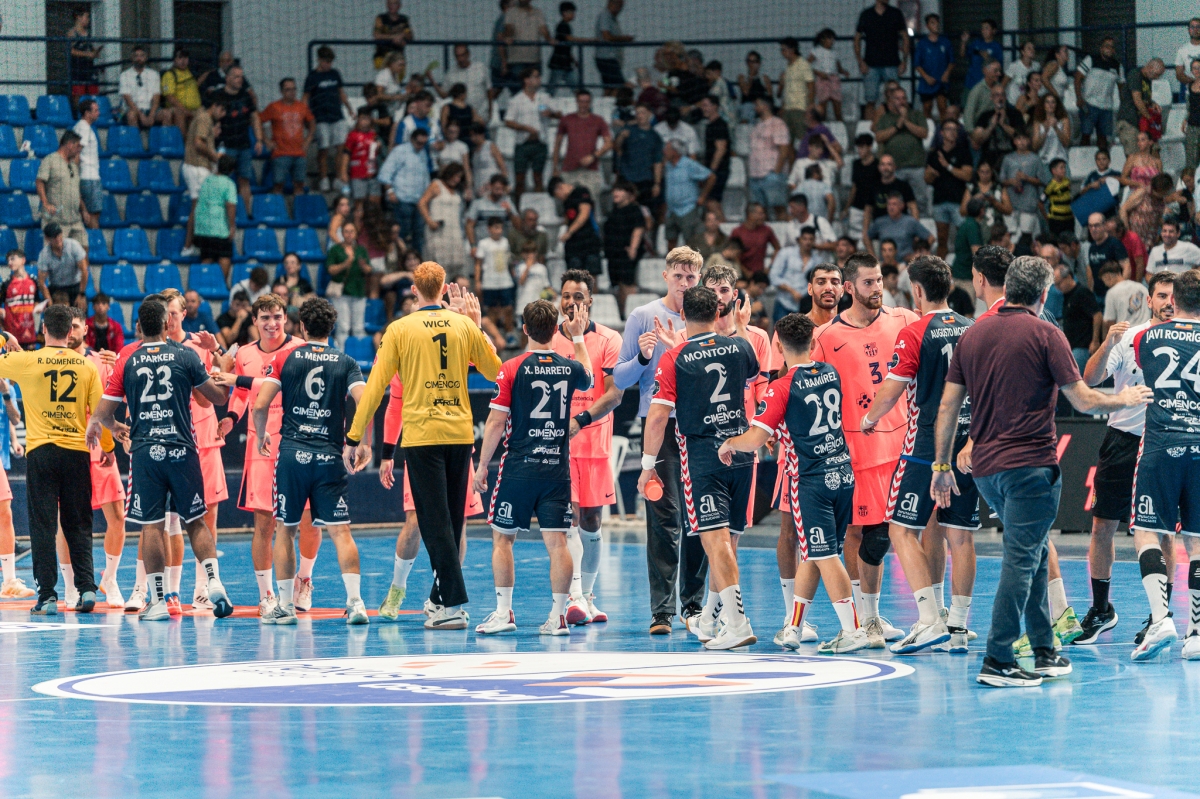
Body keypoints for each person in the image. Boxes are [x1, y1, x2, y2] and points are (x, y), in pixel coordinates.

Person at [933, 256, 1152, 686]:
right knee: (1021, 559)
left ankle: (1044, 650)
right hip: (1029, 467)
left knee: (1031, 554)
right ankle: (997, 659)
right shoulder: (1046, 333)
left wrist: (942, 464)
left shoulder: (972, 334)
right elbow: (1085, 399)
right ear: (1044, 294)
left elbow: (947, 405)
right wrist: (1123, 401)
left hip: (986, 472)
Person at [346, 265, 502, 629]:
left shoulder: (399, 329)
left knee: (434, 522)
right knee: (452, 520)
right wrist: (477, 328)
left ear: (414, 289)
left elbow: (375, 389)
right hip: (461, 433)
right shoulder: (463, 325)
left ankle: (451, 607)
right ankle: (444, 603)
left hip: (422, 436)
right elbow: (496, 371)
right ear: (445, 288)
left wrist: (355, 437)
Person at [859, 256, 978, 654]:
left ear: (919, 291)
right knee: (960, 536)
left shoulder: (914, 332)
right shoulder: (972, 329)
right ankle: (957, 626)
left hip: (926, 443)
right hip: (966, 443)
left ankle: (929, 619)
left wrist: (868, 419)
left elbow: (891, 389)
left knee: (901, 528)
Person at [88, 300, 232, 622]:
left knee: (152, 526)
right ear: (169, 322)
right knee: (195, 520)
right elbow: (218, 398)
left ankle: (155, 600)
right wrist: (223, 374)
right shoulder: (186, 355)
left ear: (138, 326)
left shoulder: (129, 359)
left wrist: (116, 427)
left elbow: (102, 413)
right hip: (182, 449)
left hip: (146, 454)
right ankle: (213, 581)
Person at [636, 285, 758, 650]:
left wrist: (647, 467)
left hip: (704, 457)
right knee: (727, 542)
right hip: (740, 451)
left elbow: (657, 419)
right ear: (719, 312)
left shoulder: (676, 358)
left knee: (714, 540)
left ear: (684, 315)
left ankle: (737, 623)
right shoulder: (740, 346)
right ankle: (708, 619)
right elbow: (750, 379)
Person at [811, 253, 918, 645]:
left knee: (890, 533)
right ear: (850, 287)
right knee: (859, 532)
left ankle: (875, 614)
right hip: (856, 447)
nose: (877, 289)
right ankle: (863, 618)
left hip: (903, 442)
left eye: (880, 281)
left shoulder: (903, 319)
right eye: (869, 283)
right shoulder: (826, 337)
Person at [473, 299, 593, 635]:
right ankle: (557, 618)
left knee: (503, 540)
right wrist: (579, 337)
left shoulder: (512, 368)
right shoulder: (569, 366)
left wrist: (482, 466)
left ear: (524, 329)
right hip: (556, 468)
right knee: (558, 542)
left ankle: (503, 614)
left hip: (519, 468)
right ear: (556, 330)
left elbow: (496, 422)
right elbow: (589, 379)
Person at [251, 298, 368, 625]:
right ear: (331, 328)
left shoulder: (284, 357)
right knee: (341, 532)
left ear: (301, 327)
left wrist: (261, 435)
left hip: (292, 455)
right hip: (329, 455)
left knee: (286, 530)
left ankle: (286, 607)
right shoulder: (346, 362)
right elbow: (366, 400)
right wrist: (359, 442)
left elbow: (260, 406)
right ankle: (356, 603)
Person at [1078, 272, 1175, 644]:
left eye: (1172, 296)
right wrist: (1107, 341)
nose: (1167, 302)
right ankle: (1102, 610)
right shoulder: (1129, 337)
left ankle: (1159, 615)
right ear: (1148, 300)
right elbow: (1090, 378)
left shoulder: (1189, 340)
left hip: (1162, 443)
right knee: (1103, 526)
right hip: (1122, 441)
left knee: (1162, 531)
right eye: (1161, 295)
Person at [214, 296, 321, 619]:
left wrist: (236, 379)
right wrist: (231, 417)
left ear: (286, 320)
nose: (272, 323)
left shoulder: (301, 349)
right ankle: (266, 595)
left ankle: (305, 579)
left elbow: (286, 386)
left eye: (277, 316)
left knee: (308, 519)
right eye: (265, 318)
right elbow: (242, 395)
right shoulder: (244, 353)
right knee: (264, 522)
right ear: (255, 321)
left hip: (298, 439)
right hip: (260, 446)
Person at [614, 248, 703, 632]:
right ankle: (662, 611)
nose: (685, 284)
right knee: (664, 514)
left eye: (691, 278)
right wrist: (645, 359)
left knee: (702, 514)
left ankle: (695, 606)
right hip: (661, 423)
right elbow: (619, 379)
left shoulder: (707, 315)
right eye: (679, 277)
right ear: (665, 276)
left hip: (701, 424)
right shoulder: (642, 316)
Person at [0, 306, 109, 614]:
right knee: (78, 523)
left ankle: (47, 595)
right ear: (70, 332)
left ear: (44, 330)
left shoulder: (27, 361)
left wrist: (6, 336)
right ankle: (87, 589)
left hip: (41, 452)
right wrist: (109, 448)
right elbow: (100, 413)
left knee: (43, 525)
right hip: (76, 452)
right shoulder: (86, 366)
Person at [1123, 269, 1200, 661]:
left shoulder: (1144, 337)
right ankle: (1198, 632)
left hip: (1160, 443)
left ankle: (1160, 618)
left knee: (1147, 531)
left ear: (1174, 301)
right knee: (1197, 540)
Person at [545, 272, 624, 623]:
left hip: (594, 443)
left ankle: (588, 596)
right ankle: (574, 594)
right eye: (565, 295)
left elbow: (614, 394)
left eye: (578, 295)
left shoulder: (609, 338)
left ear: (590, 300)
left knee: (592, 521)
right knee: (569, 517)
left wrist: (580, 421)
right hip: (558, 447)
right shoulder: (546, 338)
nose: (571, 301)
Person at [303, 47, 354, 193]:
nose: (328, 65)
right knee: (323, 149)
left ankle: (338, 178)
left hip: (336, 116)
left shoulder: (335, 74)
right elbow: (305, 97)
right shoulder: (312, 77)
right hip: (321, 118)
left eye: (330, 62)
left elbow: (341, 93)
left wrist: (349, 108)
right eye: (326, 62)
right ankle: (324, 179)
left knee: (340, 147)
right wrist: (303, 115)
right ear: (319, 60)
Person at [874, 88, 930, 214]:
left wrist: (905, 120)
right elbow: (879, 137)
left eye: (904, 98)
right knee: (895, 200)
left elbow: (924, 133)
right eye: (898, 98)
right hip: (895, 168)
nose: (902, 101)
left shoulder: (916, 115)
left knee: (920, 200)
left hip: (916, 166)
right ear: (891, 101)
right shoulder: (885, 118)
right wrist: (897, 126)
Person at [553, 88, 613, 206]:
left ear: (590, 103)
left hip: (590, 170)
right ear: (577, 102)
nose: (584, 104)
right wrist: (555, 166)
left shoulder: (598, 120)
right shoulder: (567, 119)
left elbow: (609, 143)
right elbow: (557, 144)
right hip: (569, 168)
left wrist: (593, 156)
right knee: (568, 203)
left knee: (590, 203)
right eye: (581, 101)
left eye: (586, 101)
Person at [506, 67, 558, 201]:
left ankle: (538, 207)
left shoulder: (545, 97)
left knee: (538, 177)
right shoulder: (516, 100)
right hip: (523, 143)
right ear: (527, 80)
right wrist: (524, 128)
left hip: (540, 142)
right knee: (520, 179)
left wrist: (550, 114)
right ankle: (518, 208)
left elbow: (559, 114)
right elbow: (508, 121)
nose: (539, 79)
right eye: (536, 77)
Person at [379, 127, 432, 256]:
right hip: (402, 200)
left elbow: (425, 177)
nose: (421, 146)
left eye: (424, 143)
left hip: (419, 201)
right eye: (419, 143)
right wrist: (390, 192)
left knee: (418, 235)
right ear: (412, 139)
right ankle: (399, 261)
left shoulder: (423, 153)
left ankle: (416, 265)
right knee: (401, 233)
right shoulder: (400, 151)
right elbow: (385, 173)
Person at [925, 120, 972, 259]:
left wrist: (948, 166)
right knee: (942, 240)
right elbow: (926, 179)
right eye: (948, 129)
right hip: (940, 201)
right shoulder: (934, 154)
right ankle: (941, 271)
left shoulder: (963, 151)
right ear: (941, 132)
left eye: (955, 129)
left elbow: (967, 175)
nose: (952, 132)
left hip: (958, 201)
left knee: (964, 238)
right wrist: (931, 174)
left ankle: (965, 268)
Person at [855, 0, 909, 120]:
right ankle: (868, 132)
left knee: (896, 99)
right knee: (870, 100)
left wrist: (904, 61)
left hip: (892, 63)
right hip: (871, 64)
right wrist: (860, 61)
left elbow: (905, 37)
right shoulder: (866, 14)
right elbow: (857, 38)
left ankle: (896, 126)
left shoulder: (895, 13)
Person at [261, 78, 315, 196]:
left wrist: (308, 140)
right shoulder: (274, 107)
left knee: (300, 184)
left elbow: (312, 122)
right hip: (280, 153)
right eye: (288, 89)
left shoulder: (302, 107)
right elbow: (258, 121)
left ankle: (299, 211)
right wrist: (266, 141)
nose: (292, 92)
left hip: (299, 153)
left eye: (294, 89)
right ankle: (277, 210)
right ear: (281, 91)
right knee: (278, 184)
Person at [36, 130, 86, 250]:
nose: (80, 149)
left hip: (75, 219)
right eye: (78, 146)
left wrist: (84, 209)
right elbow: (39, 181)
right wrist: (45, 203)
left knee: (83, 249)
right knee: (55, 254)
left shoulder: (73, 165)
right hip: (56, 219)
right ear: (69, 144)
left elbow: (75, 190)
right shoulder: (51, 160)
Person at [418, 163, 468, 282]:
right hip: (438, 230)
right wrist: (429, 221)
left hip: (454, 229)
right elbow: (422, 203)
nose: (457, 179)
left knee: (455, 264)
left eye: (459, 177)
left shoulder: (457, 190)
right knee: (438, 264)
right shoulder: (436, 184)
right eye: (455, 176)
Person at [325, 221, 372, 347]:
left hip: (358, 290)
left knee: (358, 327)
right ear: (342, 233)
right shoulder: (335, 249)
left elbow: (369, 270)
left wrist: (363, 266)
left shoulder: (361, 250)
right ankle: (342, 354)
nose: (349, 234)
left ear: (356, 234)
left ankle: (358, 355)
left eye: (352, 231)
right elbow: (330, 269)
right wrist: (345, 264)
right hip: (341, 292)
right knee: (343, 327)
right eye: (346, 231)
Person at [660, 142, 714, 250]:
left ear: (674, 152)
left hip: (687, 208)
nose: (664, 152)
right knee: (670, 238)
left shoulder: (689, 164)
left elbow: (711, 177)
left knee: (690, 240)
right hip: (671, 210)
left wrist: (703, 196)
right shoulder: (668, 166)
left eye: (667, 149)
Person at [999, 129, 1050, 242]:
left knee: (1026, 237)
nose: (1021, 142)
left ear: (1029, 141)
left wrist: (1027, 178)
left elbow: (1043, 181)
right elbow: (1001, 180)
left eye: (1024, 139)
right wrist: (1011, 182)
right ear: (1014, 141)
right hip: (1011, 205)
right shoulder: (1008, 159)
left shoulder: (1035, 159)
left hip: (1028, 204)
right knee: (1011, 238)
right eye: (1018, 139)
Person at [1075, 37, 1124, 150]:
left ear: (1114, 50)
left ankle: (1102, 162)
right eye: (1106, 46)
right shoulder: (1091, 59)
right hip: (1089, 104)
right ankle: (1084, 163)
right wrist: (1079, 98)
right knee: (1085, 135)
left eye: (1112, 47)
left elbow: (1121, 86)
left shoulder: (1117, 66)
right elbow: (1078, 77)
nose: (1109, 49)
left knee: (1103, 138)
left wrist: (1122, 104)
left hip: (1106, 107)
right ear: (1101, 48)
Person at [604, 180, 645, 313]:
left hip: (626, 253)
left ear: (629, 194)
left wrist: (633, 248)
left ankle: (631, 313)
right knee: (619, 285)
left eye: (620, 190)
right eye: (615, 190)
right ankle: (622, 312)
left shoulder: (634, 209)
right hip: (614, 253)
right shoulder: (614, 211)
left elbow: (638, 229)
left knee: (628, 283)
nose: (615, 193)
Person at [550, 175, 604, 276]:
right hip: (574, 244)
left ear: (559, 188)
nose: (559, 198)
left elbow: (584, 214)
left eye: (557, 195)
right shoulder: (566, 202)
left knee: (591, 275)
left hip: (588, 239)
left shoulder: (581, 192)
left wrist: (569, 232)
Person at [615, 103, 664, 213]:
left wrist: (657, 183)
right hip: (627, 178)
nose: (640, 115)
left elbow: (658, 162)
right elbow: (617, 149)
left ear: (649, 114)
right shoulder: (628, 130)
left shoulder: (655, 136)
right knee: (624, 210)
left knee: (645, 211)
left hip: (645, 179)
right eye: (637, 113)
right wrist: (621, 137)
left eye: (643, 113)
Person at [1054, 263, 1102, 373]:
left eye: (1059, 283)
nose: (1057, 288)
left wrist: (1095, 341)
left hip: (1083, 346)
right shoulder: (1066, 296)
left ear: (1069, 277)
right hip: (1072, 345)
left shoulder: (1082, 293)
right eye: (1055, 285)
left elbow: (1097, 315)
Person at [748, 98, 791, 220]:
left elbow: (784, 149)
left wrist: (776, 172)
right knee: (760, 212)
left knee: (779, 208)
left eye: (757, 104)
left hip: (770, 173)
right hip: (756, 175)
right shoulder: (757, 125)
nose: (754, 107)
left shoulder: (777, 124)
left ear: (765, 106)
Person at [1116, 59, 1167, 157]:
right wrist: (1150, 119)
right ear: (1150, 67)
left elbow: (1145, 98)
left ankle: (1155, 172)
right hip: (1129, 121)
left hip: (1142, 122)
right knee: (1133, 157)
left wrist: (1153, 103)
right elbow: (1137, 100)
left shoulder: (1147, 79)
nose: (1157, 78)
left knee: (1154, 151)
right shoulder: (1135, 75)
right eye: (1157, 74)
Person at [476, 217, 516, 337]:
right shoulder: (483, 244)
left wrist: (512, 272)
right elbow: (478, 264)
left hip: (505, 281)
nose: (499, 231)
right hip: (489, 283)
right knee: (492, 311)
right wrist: (478, 281)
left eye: (501, 228)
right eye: (496, 228)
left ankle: (509, 335)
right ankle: (493, 337)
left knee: (508, 308)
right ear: (489, 229)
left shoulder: (506, 242)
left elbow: (509, 261)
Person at [770, 227, 821, 321]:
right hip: (784, 301)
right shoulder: (785, 253)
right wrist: (791, 291)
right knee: (779, 334)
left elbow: (817, 282)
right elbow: (774, 276)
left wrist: (806, 293)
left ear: (814, 241)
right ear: (799, 240)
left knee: (803, 334)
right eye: (805, 239)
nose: (808, 242)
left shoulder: (817, 259)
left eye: (811, 239)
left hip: (805, 304)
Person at [973, 83, 1025, 171]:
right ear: (991, 97)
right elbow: (977, 140)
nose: (1000, 98)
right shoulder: (985, 116)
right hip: (990, 155)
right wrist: (991, 126)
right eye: (996, 95)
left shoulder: (1015, 114)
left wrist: (1003, 125)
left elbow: (1021, 136)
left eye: (1002, 95)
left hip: (1012, 154)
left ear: (1005, 97)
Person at [866, 192, 932, 260]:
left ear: (902, 205)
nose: (891, 207)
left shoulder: (910, 222)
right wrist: (873, 256)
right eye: (889, 204)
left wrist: (917, 254)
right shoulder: (879, 222)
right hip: (886, 264)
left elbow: (930, 238)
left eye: (894, 204)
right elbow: (867, 237)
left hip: (906, 263)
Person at [37, 222, 88, 309]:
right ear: (47, 238)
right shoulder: (44, 254)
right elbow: (41, 282)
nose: (58, 238)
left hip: (74, 286)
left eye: (59, 235)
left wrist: (81, 294)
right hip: (56, 288)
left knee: (80, 313)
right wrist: (49, 302)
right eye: (54, 237)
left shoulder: (73, 245)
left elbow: (84, 270)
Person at [182, 100, 224, 203]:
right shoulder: (205, 118)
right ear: (214, 105)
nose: (223, 114)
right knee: (201, 206)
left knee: (198, 207)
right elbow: (198, 143)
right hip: (197, 166)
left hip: (197, 166)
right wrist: (214, 156)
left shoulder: (202, 117)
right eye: (222, 110)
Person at [914, 15, 954, 120]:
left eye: (937, 22)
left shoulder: (945, 42)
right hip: (927, 81)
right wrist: (926, 77)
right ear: (927, 26)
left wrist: (947, 73)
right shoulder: (922, 43)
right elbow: (917, 64)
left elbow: (952, 61)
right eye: (932, 23)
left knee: (942, 106)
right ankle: (929, 131)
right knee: (927, 107)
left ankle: (943, 131)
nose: (936, 25)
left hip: (941, 80)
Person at [437, 44, 491, 121]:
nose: (461, 59)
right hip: (461, 118)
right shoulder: (450, 73)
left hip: (481, 115)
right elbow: (444, 94)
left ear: (468, 54)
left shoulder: (481, 68)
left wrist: (491, 111)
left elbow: (489, 90)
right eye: (457, 56)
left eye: (462, 55)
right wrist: (432, 81)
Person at [778, 37, 815, 146]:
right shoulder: (787, 67)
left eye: (783, 50)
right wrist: (783, 107)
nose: (782, 53)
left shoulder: (803, 64)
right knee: (787, 144)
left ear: (792, 50)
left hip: (800, 109)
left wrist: (810, 107)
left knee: (804, 141)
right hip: (788, 110)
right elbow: (788, 90)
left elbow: (811, 86)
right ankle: (792, 163)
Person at [697, 96, 730, 219]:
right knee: (710, 203)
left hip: (718, 170)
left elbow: (720, 149)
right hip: (713, 170)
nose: (703, 108)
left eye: (706, 105)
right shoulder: (710, 125)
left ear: (715, 106)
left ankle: (725, 231)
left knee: (712, 202)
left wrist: (711, 171)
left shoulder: (719, 125)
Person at [730, 203, 781, 282]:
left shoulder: (767, 230)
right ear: (750, 214)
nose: (763, 216)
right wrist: (745, 271)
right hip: (740, 273)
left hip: (760, 273)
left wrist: (770, 267)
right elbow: (732, 253)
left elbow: (777, 248)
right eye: (760, 214)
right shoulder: (737, 232)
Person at [0, 250, 40, 348]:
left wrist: (38, 308)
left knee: (30, 362)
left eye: (13, 259)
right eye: (8, 260)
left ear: (23, 260)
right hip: (12, 333)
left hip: (29, 331)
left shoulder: (33, 281)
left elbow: (36, 301)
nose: (9, 262)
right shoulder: (6, 284)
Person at [504, 0, 552, 81]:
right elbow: (509, 28)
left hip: (534, 58)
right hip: (517, 59)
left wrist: (549, 39)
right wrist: (508, 36)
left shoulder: (538, 12)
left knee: (533, 87)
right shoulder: (511, 12)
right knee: (518, 87)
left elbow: (543, 30)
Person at [72, 99, 102, 229]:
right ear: (87, 113)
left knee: (89, 214)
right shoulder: (83, 128)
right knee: (93, 215)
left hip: (87, 176)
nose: (98, 113)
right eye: (95, 110)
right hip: (89, 177)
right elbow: (76, 153)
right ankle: (94, 246)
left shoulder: (79, 127)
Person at [119, 46, 163, 129]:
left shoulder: (154, 74)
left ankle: (163, 141)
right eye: (136, 56)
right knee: (131, 115)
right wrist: (141, 115)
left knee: (166, 114)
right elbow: (128, 100)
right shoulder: (124, 75)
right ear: (132, 58)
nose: (139, 58)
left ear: (146, 58)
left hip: (150, 109)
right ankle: (136, 141)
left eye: (142, 56)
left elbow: (156, 98)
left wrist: (151, 115)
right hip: (133, 110)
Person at [160, 48, 200, 136]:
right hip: (178, 109)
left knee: (207, 115)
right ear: (174, 59)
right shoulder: (169, 75)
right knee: (180, 113)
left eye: (185, 58)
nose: (183, 61)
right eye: (180, 58)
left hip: (196, 109)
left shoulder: (189, 72)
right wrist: (184, 110)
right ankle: (183, 146)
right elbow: (169, 97)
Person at [594, 0, 631, 94]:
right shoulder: (605, 15)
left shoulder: (612, 18)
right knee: (619, 87)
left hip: (608, 58)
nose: (620, 9)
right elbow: (606, 36)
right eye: (619, 6)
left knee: (608, 88)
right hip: (607, 58)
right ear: (611, 4)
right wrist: (624, 39)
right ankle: (614, 105)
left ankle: (604, 106)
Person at [960, 19, 1003, 96]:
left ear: (994, 31)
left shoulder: (997, 47)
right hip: (971, 82)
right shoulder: (976, 43)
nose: (983, 31)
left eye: (986, 28)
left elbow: (999, 67)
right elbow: (962, 54)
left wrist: (988, 58)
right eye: (982, 28)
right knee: (966, 106)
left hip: (987, 85)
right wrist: (964, 42)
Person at [67, 8, 101, 102]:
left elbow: (91, 49)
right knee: (78, 94)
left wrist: (95, 53)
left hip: (89, 68)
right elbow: (71, 51)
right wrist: (87, 54)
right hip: (77, 68)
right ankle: (77, 114)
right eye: (86, 17)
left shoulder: (88, 33)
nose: (88, 19)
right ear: (78, 17)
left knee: (94, 92)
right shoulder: (72, 33)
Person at [963, 62, 1003, 136]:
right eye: (996, 71)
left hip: (998, 125)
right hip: (981, 127)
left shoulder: (999, 87)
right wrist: (972, 133)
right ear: (985, 71)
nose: (999, 74)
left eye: (999, 71)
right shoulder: (977, 90)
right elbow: (969, 113)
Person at [1032, 94, 1070, 166]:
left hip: (1061, 160)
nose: (1050, 105)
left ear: (1056, 105)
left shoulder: (1064, 120)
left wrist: (1056, 128)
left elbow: (1066, 143)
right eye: (1047, 102)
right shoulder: (1038, 122)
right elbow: (1035, 146)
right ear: (1043, 105)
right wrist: (1045, 131)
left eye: (1053, 102)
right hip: (1043, 161)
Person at [373, 0, 412, 68]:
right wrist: (393, 37)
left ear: (399, 5)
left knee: (399, 71)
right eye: (390, 4)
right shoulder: (381, 18)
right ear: (387, 5)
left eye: (395, 4)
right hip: (382, 56)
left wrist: (402, 35)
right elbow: (377, 35)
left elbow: (410, 35)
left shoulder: (403, 19)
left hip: (398, 57)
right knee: (387, 74)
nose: (392, 6)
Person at [1042, 158, 1074, 237]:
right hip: (1056, 220)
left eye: (1064, 168)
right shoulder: (1050, 186)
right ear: (1054, 171)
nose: (1064, 170)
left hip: (1069, 219)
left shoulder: (1067, 181)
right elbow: (1040, 202)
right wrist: (1047, 217)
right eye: (1061, 168)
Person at [1184, 59, 1200, 172]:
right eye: (1194, 68)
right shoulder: (1189, 86)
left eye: (1199, 67)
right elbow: (1189, 106)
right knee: (1191, 157)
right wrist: (1185, 120)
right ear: (1191, 70)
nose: (1197, 70)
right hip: (1192, 125)